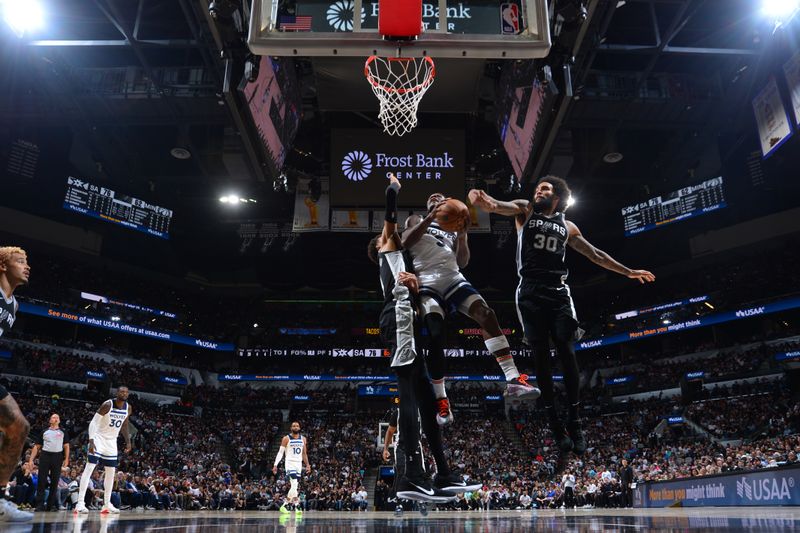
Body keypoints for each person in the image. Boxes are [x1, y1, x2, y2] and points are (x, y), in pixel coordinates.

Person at [470, 177, 654, 455]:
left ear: (557, 196)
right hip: (529, 291)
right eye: (536, 189)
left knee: (567, 351)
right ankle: (554, 423)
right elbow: (497, 205)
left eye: (543, 189)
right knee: (541, 357)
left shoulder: (567, 226)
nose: (537, 192)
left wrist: (627, 271)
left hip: (557, 292)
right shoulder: (525, 210)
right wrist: (482, 200)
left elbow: (595, 255)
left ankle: (575, 420)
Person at [367, 175, 467, 503]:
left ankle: (444, 473)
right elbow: (391, 219)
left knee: (425, 399)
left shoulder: (400, 264)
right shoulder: (387, 246)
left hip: (407, 320)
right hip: (397, 320)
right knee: (409, 396)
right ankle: (411, 475)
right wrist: (393, 190)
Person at [402, 196, 540, 424]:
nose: (437, 198)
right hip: (426, 280)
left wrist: (463, 233)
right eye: (432, 198)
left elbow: (463, 261)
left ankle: (513, 378)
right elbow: (406, 241)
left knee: (487, 315)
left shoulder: (452, 227)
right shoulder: (416, 219)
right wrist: (429, 217)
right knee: (435, 335)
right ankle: (441, 398)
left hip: (453, 277)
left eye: (441, 197)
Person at [0, 246, 33, 522]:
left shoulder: (14, 305)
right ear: (2, 266)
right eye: (20, 261)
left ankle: (0, 499)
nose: (27, 265)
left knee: (19, 427)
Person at [74, 386, 133, 514]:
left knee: (111, 473)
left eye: (126, 392)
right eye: (122, 391)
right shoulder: (107, 404)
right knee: (89, 468)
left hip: (112, 441)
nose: (124, 393)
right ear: (117, 393)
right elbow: (94, 423)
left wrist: (128, 441)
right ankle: (80, 503)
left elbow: (125, 424)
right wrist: (91, 440)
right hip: (99, 438)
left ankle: (106, 504)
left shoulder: (128, 407)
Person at [28, 413, 70, 512]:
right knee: (41, 480)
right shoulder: (44, 431)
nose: (55, 419)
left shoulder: (63, 431)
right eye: (53, 417)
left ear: (59, 421)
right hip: (45, 455)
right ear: (50, 420)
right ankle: (39, 505)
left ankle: (50, 505)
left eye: (57, 417)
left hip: (57, 456)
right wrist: (31, 459)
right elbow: (37, 446)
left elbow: (66, 446)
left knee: (55, 482)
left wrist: (67, 459)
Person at [272, 421, 310, 515]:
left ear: (299, 428)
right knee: (294, 483)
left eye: (297, 426)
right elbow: (280, 452)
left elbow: (304, 453)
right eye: (294, 426)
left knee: (295, 486)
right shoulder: (286, 438)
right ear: (291, 428)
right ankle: (297, 505)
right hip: (289, 463)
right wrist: (275, 464)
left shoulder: (303, 439)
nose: (295, 427)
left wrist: (308, 465)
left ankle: (285, 505)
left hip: (298, 464)